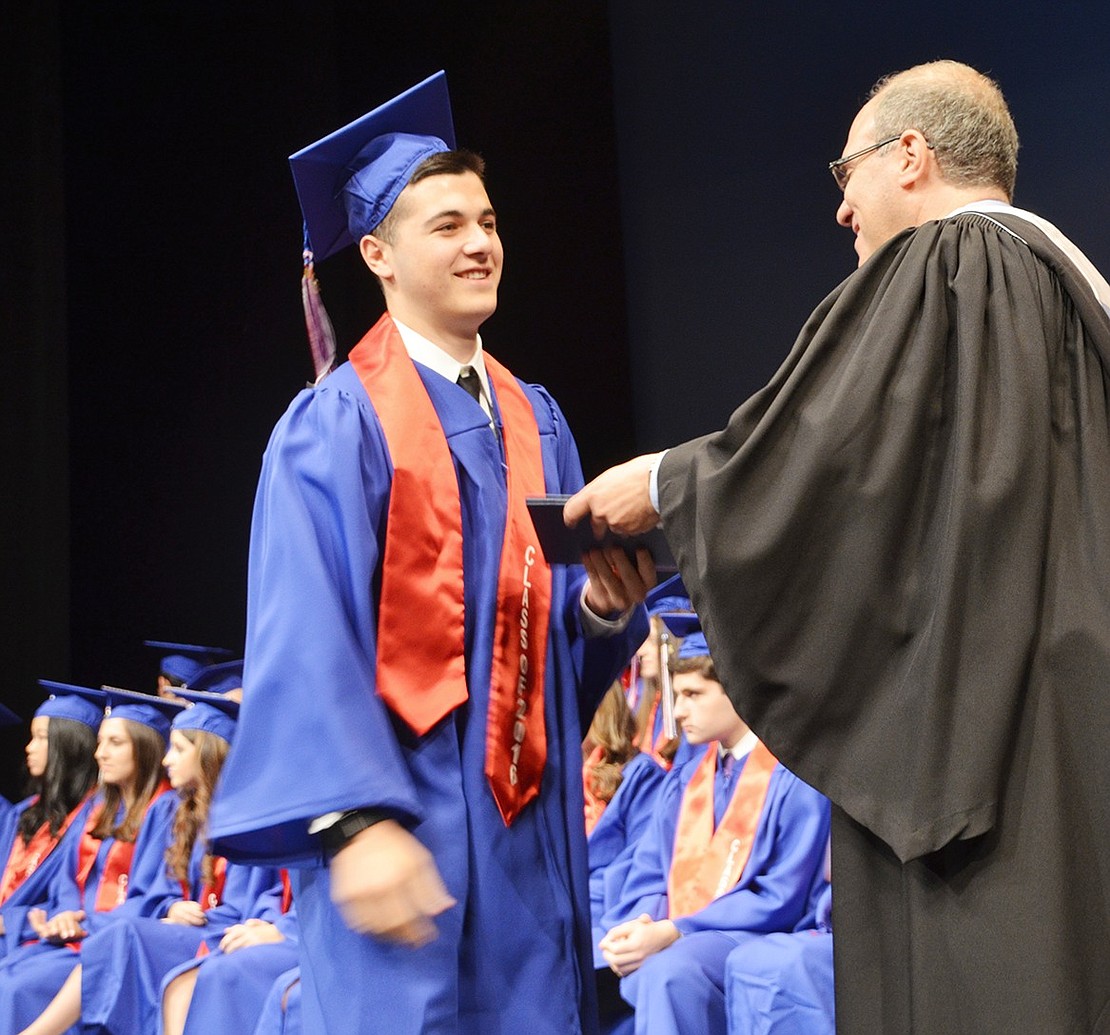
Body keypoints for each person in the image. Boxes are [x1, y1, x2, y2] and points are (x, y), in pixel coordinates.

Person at [565, 59, 1110, 1031]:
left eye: (844, 174)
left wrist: (665, 486)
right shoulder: (1071, 294)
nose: (842, 212)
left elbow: (831, 455)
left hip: (996, 740)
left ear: (910, 157)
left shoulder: (957, 264)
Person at [208, 71, 650, 1035]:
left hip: (527, 833)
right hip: (401, 828)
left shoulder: (540, 422)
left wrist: (606, 610)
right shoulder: (336, 425)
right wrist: (353, 825)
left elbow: (550, 658)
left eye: (487, 221)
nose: (480, 242)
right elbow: (304, 630)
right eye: (446, 225)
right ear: (378, 254)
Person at [597, 622, 829, 1035]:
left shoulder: (792, 777)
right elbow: (650, 874)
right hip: (689, 935)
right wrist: (645, 923)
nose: (680, 709)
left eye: (693, 694)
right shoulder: (684, 781)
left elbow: (781, 893)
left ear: (737, 693)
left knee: (670, 972)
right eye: (678, 693)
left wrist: (676, 930)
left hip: (758, 933)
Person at [16, 689, 277, 1035]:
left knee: (122, 935)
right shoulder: (176, 814)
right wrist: (171, 908)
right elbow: (157, 891)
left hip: (215, 932)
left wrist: (190, 915)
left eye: (179, 750)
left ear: (209, 756)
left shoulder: (247, 822)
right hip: (176, 928)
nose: (167, 760)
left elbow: (246, 906)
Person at [0, 688, 181, 1031]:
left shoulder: (164, 810)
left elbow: (153, 894)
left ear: (144, 749)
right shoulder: (98, 810)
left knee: (14, 986)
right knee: (11, 972)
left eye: (115, 743)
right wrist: (64, 915)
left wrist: (82, 923)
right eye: (100, 743)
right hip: (71, 935)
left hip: (110, 940)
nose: (100, 754)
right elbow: (69, 881)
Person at [0, 684, 102, 957]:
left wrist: (11, 921)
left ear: (68, 746)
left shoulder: (93, 819)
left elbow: (78, 901)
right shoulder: (21, 814)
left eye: (41, 738)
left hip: (36, 942)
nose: (29, 748)